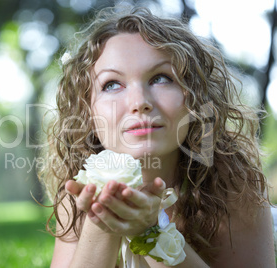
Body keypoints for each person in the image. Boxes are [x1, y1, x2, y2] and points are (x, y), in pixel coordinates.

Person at [38, 4, 275, 267]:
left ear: (195, 100)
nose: (139, 102)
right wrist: (104, 217)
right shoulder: (77, 198)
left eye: (160, 78)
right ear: (87, 112)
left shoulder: (233, 191)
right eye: (112, 84)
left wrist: (149, 231)